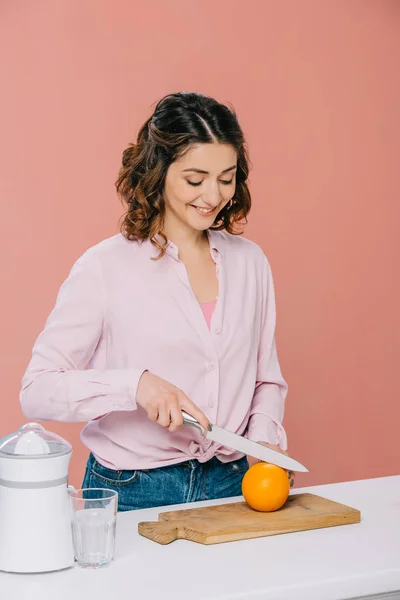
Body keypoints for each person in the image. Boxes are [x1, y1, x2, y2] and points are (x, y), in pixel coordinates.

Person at [20, 91, 292, 512]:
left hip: (233, 480)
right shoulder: (104, 267)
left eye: (227, 177)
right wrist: (135, 385)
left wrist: (264, 441)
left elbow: (265, 380)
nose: (213, 195)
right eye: (195, 179)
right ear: (159, 171)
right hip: (132, 487)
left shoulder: (250, 262)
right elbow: (37, 390)